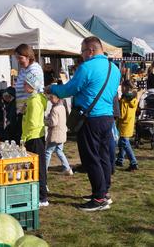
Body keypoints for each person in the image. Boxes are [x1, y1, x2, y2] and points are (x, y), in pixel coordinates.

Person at [45, 36, 120, 211]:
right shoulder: (114, 68)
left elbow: (69, 89)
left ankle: (99, 198)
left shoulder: (86, 67)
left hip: (90, 118)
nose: (82, 55)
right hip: (107, 117)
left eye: (83, 51)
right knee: (103, 156)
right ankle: (103, 192)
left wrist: (52, 88)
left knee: (90, 157)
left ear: (91, 51)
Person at [22, 71, 48, 207]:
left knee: (38, 168)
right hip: (36, 136)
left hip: (34, 137)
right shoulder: (34, 99)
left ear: (31, 85)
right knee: (37, 167)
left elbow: (32, 123)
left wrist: (24, 138)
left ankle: (42, 197)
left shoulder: (34, 100)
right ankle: (40, 193)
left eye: (25, 83)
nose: (23, 85)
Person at [14, 44, 44, 144]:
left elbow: (29, 88)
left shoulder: (34, 69)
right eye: (16, 58)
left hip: (31, 114)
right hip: (23, 113)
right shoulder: (23, 70)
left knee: (33, 144)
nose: (18, 60)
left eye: (20, 58)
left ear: (28, 56)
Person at [45, 93, 73, 175]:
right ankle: (67, 168)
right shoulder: (62, 107)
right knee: (59, 151)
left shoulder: (55, 109)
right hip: (61, 133)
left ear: (57, 98)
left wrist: (45, 122)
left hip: (55, 134)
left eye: (52, 98)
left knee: (48, 152)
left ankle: (44, 169)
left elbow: (53, 123)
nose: (50, 100)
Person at [115, 80, 139, 171]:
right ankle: (120, 159)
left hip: (124, 123)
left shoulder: (124, 99)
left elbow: (122, 114)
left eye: (122, 87)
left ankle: (133, 162)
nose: (121, 88)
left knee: (125, 142)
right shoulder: (133, 98)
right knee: (122, 142)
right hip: (130, 123)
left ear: (125, 88)